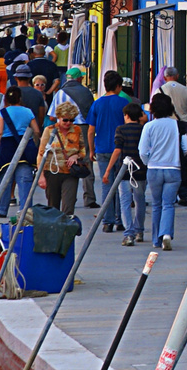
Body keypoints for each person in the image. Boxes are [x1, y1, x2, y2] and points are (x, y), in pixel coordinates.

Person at [139, 93, 184, 249]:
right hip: (173, 168)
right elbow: (185, 147)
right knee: (169, 204)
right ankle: (166, 234)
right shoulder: (177, 125)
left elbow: (143, 151)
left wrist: (148, 162)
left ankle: (156, 240)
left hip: (154, 169)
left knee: (156, 204)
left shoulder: (149, 126)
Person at [88, 71, 129, 232]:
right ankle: (120, 219)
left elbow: (91, 130)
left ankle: (107, 221)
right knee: (120, 185)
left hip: (103, 148)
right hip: (120, 149)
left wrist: (91, 150)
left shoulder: (97, 104)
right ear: (118, 86)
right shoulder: (123, 103)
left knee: (106, 185)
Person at [0, 85, 40, 217]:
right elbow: (36, 130)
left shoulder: (3, 113)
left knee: (5, 180)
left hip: (6, 148)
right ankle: (26, 212)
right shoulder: (28, 111)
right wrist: (34, 143)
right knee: (25, 180)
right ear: (20, 98)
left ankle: (2, 210)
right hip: (24, 145)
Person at [51, 68, 98, 206]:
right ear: (79, 79)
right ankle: (89, 198)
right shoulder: (85, 92)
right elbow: (91, 113)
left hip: (62, 129)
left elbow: (52, 115)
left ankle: (66, 196)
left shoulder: (59, 93)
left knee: (63, 158)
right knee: (85, 159)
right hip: (82, 127)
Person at [105, 103, 147, 245]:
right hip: (141, 170)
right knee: (140, 201)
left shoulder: (121, 129)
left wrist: (108, 170)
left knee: (125, 202)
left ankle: (129, 234)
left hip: (124, 171)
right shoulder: (143, 129)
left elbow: (117, 150)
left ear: (127, 115)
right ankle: (139, 230)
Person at [39, 102, 89, 216]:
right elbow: (41, 153)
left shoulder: (77, 130)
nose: (68, 123)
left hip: (70, 172)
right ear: (58, 117)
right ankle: (54, 231)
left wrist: (76, 156)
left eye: (71, 120)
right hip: (52, 171)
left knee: (69, 206)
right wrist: (41, 176)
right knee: (53, 207)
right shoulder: (49, 130)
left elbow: (82, 150)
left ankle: (67, 231)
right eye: (65, 120)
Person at [159, 67, 187, 206]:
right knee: (184, 162)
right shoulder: (186, 90)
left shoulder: (160, 90)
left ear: (165, 77)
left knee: (169, 161)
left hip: (167, 129)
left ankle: (171, 194)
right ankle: (184, 194)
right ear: (178, 75)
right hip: (183, 129)